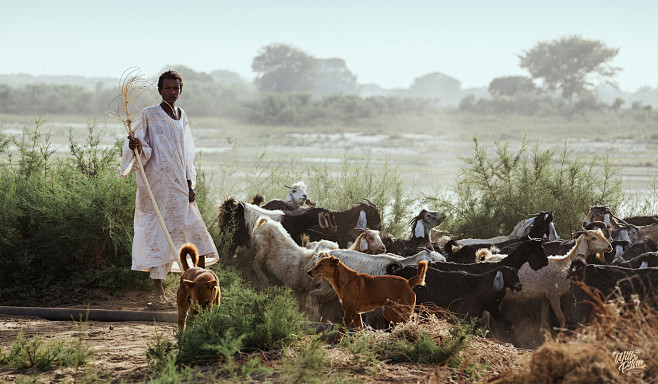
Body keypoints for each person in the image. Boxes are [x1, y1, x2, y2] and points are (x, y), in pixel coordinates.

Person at [120, 70, 218, 309]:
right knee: (159, 235)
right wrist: (135, 145)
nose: (172, 93)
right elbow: (142, 147)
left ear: (180, 91)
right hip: (157, 187)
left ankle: (198, 288)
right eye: (168, 89)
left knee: (195, 234)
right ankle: (158, 293)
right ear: (160, 90)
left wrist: (189, 182)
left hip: (179, 186)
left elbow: (187, 153)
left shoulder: (181, 115)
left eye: (176, 89)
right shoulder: (149, 115)